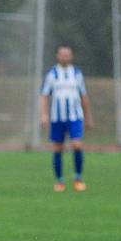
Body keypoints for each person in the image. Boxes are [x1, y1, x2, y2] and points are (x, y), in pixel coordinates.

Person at [40, 45, 94, 192]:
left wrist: (88, 116)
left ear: (71, 57)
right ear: (58, 56)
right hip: (57, 117)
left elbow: (83, 95)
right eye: (62, 55)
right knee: (58, 148)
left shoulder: (77, 73)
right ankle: (59, 181)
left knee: (77, 144)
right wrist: (44, 114)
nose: (65, 57)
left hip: (75, 116)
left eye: (67, 55)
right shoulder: (51, 74)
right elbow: (44, 95)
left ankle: (77, 178)